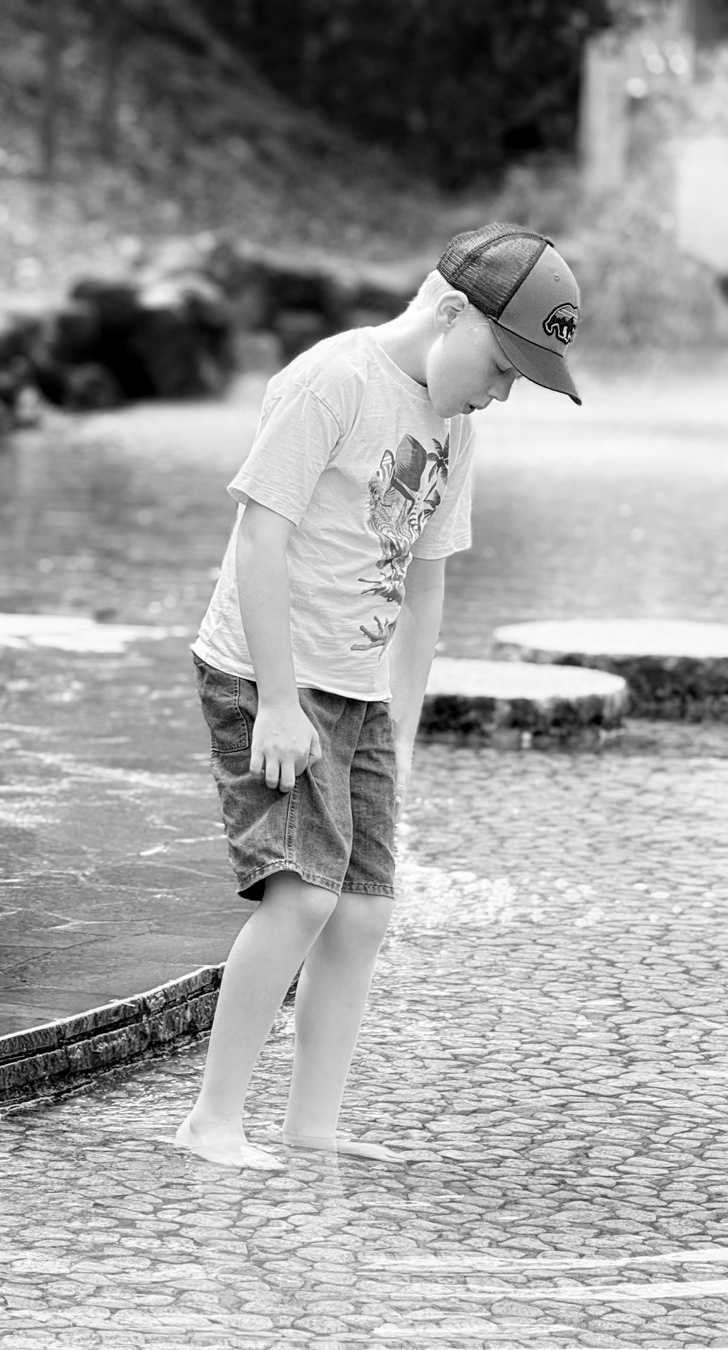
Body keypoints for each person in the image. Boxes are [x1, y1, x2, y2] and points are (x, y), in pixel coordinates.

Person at [174, 224, 583, 1170]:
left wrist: (402, 724)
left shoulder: (455, 428)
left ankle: (311, 1124)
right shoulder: (334, 382)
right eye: (502, 365)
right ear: (451, 312)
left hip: (360, 690)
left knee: (363, 910)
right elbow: (259, 537)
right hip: (270, 673)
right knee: (302, 897)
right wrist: (278, 703)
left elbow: (424, 583)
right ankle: (212, 1118)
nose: (501, 391)